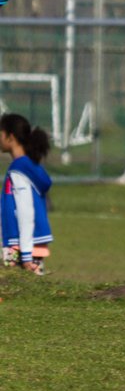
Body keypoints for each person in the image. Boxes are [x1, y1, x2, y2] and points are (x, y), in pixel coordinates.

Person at [1, 113, 53, 274]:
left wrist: (25, 254)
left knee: (18, 291)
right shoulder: (24, 166)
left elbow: (26, 211)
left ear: (10, 137)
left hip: (22, 247)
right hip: (25, 244)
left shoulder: (20, 169)